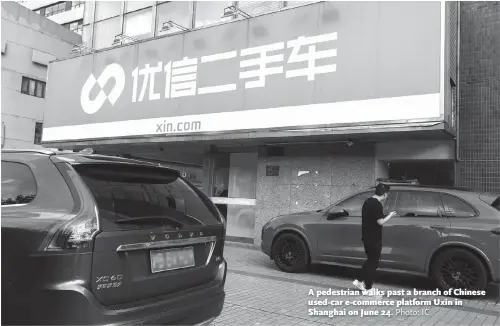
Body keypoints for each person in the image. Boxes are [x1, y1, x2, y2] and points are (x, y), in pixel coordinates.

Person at [353, 183, 397, 297]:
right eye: (387, 193)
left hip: (366, 237)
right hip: (374, 238)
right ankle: (368, 287)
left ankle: (358, 281)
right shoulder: (377, 204)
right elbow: (380, 222)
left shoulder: (367, 202)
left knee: (370, 260)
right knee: (373, 262)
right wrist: (390, 216)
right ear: (385, 194)